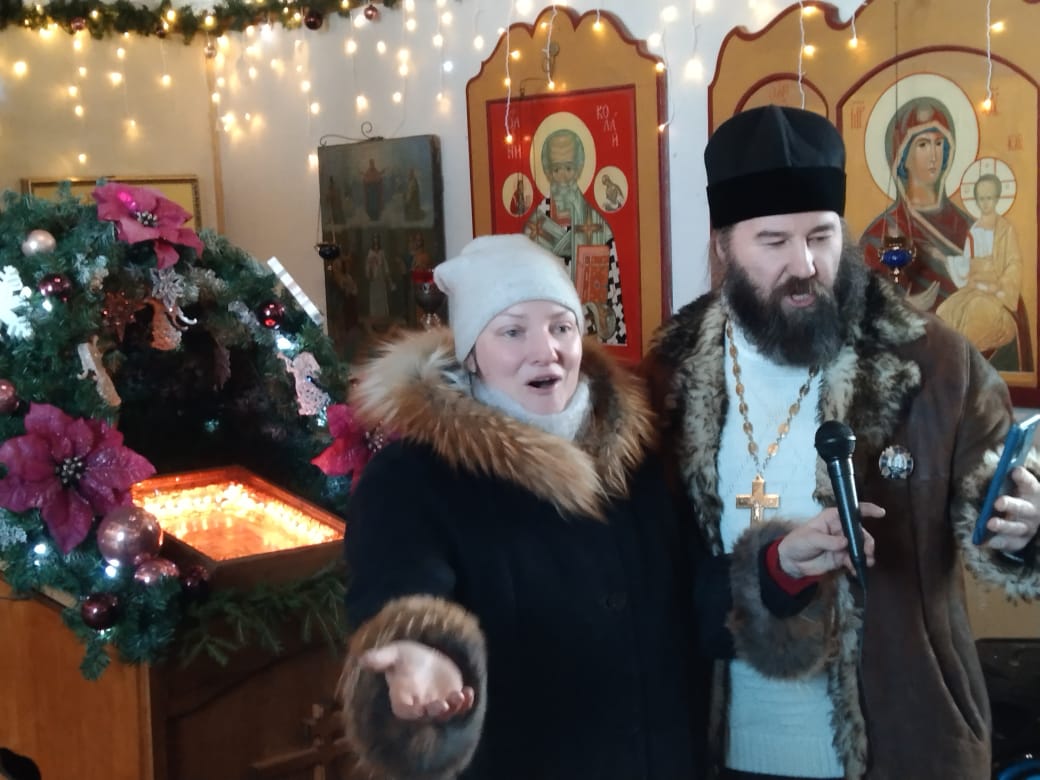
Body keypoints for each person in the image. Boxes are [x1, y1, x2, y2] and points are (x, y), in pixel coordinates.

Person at [642, 104, 1040, 780]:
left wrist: (1024, 528)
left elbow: (996, 511)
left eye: (821, 236)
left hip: (902, 740)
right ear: (724, 246)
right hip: (720, 746)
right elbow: (652, 571)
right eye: (774, 242)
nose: (804, 265)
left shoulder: (933, 363)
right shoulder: (670, 377)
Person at [860, 96, 973, 310]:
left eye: (939, 144)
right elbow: (861, 303)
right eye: (923, 145)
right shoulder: (880, 234)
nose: (934, 156)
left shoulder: (968, 227)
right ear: (902, 158)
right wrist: (901, 307)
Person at [526, 127, 627, 344]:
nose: (562, 177)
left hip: (588, 344)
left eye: (569, 168)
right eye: (556, 169)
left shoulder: (600, 229)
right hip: (544, 343)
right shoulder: (534, 229)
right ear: (547, 171)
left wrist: (595, 315)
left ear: (580, 169)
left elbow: (612, 306)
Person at [937, 172, 1024, 364]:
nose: (986, 203)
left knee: (976, 309)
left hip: (998, 295)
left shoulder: (1005, 230)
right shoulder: (974, 231)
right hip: (975, 287)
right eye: (982, 199)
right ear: (976, 200)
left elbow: (1014, 263)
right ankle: (951, 362)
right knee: (945, 311)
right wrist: (947, 260)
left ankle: (964, 362)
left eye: (989, 198)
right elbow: (967, 263)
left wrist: (999, 286)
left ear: (997, 198)